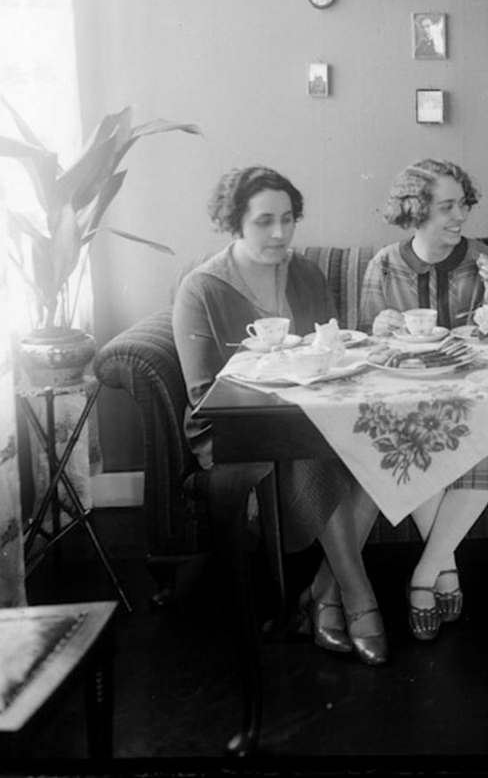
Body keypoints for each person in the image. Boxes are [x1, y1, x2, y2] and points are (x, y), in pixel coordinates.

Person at [173, 166, 387, 666]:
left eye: (287, 220)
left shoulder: (306, 273)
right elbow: (203, 396)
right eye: (264, 221)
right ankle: (359, 598)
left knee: (382, 448)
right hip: (234, 433)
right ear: (235, 223)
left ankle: (322, 595)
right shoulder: (201, 288)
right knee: (308, 452)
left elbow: (327, 354)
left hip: (310, 417)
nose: (279, 233)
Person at [359, 158, 488, 642]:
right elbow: (369, 352)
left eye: (463, 205)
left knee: (487, 435)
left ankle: (423, 575)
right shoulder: (384, 265)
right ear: (416, 211)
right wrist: (379, 327)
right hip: (409, 400)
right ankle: (445, 570)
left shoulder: (481, 258)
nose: (460, 217)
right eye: (447, 207)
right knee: (409, 439)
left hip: (473, 398)